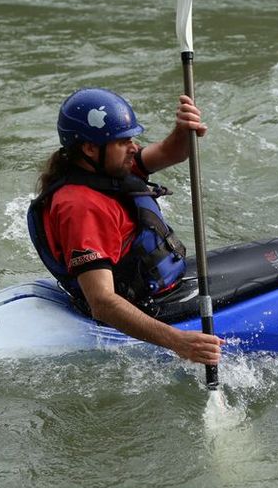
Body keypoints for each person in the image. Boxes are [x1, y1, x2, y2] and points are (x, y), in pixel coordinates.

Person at [28, 88, 224, 365]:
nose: (133, 147)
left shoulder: (108, 168)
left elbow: (170, 152)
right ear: (90, 148)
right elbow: (102, 303)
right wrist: (178, 342)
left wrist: (183, 130)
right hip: (143, 308)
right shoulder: (81, 208)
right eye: (124, 141)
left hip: (164, 285)